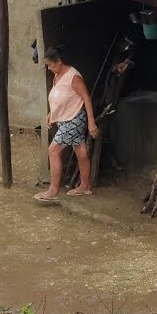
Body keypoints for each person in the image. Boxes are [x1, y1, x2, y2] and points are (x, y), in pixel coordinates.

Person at [34, 46, 99, 201]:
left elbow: (86, 98)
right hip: (65, 120)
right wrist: (51, 114)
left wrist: (91, 123)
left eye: (50, 65)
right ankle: (85, 186)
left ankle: (53, 191)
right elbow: (60, 98)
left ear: (59, 61)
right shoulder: (57, 76)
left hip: (74, 119)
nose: (49, 68)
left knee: (53, 150)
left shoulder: (73, 77)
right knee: (81, 151)